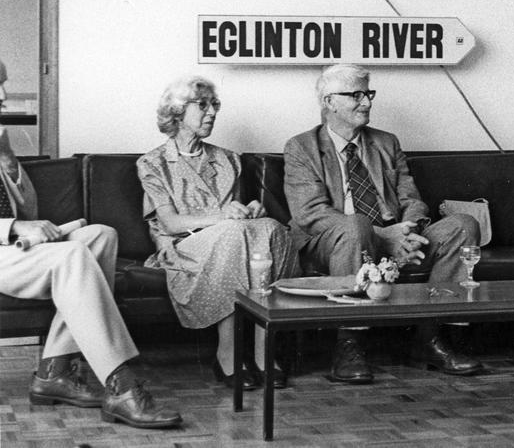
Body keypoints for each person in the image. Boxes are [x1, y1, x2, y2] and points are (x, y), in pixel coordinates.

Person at [0, 59, 181, 429]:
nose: (4, 95)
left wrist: (9, 161)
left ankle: (54, 371)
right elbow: (22, 219)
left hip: (9, 251)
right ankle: (121, 385)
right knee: (71, 256)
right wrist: (17, 227)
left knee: (100, 235)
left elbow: (30, 207)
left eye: (4, 83)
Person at [284, 63, 483, 384]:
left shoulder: (386, 142)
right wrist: (381, 234)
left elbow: (412, 199)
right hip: (336, 242)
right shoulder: (301, 147)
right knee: (354, 226)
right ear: (328, 102)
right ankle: (349, 345)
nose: (367, 102)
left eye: (368, 94)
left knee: (462, 225)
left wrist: (408, 233)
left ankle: (431, 338)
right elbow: (310, 213)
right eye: (356, 95)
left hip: (395, 238)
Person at [137, 76, 297, 390]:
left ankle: (265, 349)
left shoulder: (228, 159)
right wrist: (226, 215)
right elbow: (169, 223)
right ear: (178, 112)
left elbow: (233, 213)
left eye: (215, 105)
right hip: (187, 246)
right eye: (203, 105)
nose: (212, 112)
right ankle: (228, 352)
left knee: (270, 228)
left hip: (230, 239)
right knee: (232, 235)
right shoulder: (153, 164)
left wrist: (249, 209)